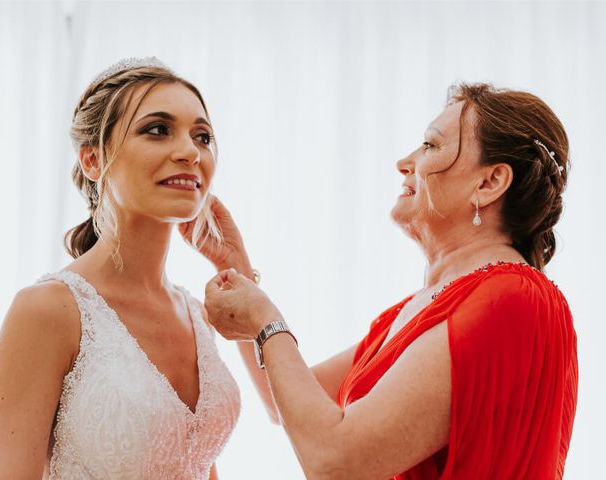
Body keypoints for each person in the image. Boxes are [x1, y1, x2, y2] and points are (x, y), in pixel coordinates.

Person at [196, 83, 578, 479]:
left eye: (431, 146)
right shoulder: (416, 309)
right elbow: (285, 402)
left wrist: (265, 321)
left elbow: (336, 461)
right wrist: (235, 265)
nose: (404, 162)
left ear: (489, 183)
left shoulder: (511, 298)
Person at [0, 57, 240, 479]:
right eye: (158, 129)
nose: (190, 152)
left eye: (203, 136)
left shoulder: (198, 316)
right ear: (92, 161)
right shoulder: (48, 310)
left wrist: (237, 267)